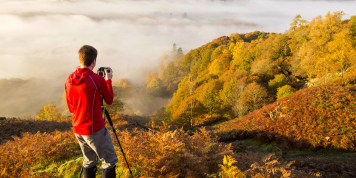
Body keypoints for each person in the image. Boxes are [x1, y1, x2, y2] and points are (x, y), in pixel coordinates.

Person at [65, 45, 118, 178]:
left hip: (78, 128)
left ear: (80, 59)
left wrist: (93, 106)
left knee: (89, 161)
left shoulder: (69, 80)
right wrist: (108, 80)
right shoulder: (97, 80)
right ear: (94, 61)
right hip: (94, 129)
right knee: (109, 162)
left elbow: (72, 108)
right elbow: (109, 100)